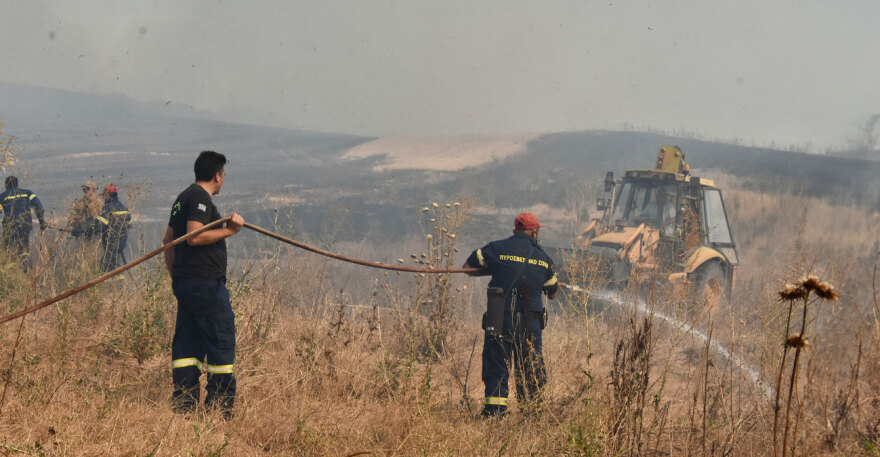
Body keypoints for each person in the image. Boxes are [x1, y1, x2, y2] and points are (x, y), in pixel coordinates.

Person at [162, 151, 244, 418]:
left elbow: (168, 242)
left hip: (187, 285)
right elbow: (194, 236)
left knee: (188, 344)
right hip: (206, 285)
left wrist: (178, 278)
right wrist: (230, 231)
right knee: (221, 338)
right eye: (224, 176)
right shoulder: (199, 197)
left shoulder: (182, 198)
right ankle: (220, 409)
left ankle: (185, 406)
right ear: (217, 175)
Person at [463, 212, 559, 417]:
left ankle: (494, 413)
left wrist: (494, 269)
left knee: (497, 363)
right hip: (530, 322)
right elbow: (553, 294)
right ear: (535, 232)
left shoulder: (496, 248)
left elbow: (468, 268)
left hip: (499, 317)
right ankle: (532, 413)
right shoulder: (543, 259)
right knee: (531, 366)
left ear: (515, 230)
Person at [0, 176, 47, 268]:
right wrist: (42, 223)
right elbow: (39, 207)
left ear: (6, 185)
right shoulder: (27, 193)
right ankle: (26, 268)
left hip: (9, 227)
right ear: (17, 184)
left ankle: (11, 269)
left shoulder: (2, 196)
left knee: (9, 250)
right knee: (24, 249)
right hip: (25, 226)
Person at [96, 184, 132, 272]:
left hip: (110, 245)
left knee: (105, 268)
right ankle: (118, 283)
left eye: (104, 196)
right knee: (115, 265)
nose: (103, 198)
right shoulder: (124, 208)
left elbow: (98, 226)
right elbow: (129, 226)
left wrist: (86, 231)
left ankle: (112, 284)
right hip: (121, 244)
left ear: (108, 195)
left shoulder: (107, 209)